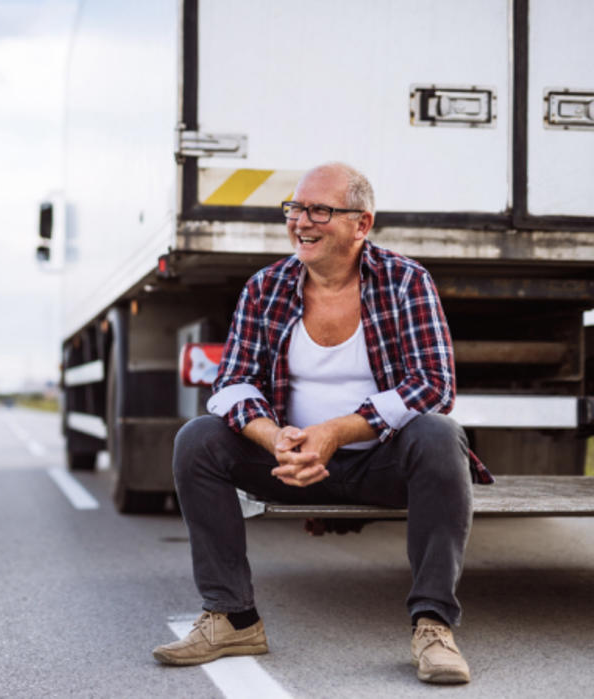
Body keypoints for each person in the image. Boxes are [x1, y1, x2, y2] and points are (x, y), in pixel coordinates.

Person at [152, 162, 493, 684]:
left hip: (380, 465)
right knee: (197, 439)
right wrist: (276, 438)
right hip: (291, 464)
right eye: (296, 208)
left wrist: (335, 432)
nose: (302, 222)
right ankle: (233, 618)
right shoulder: (266, 287)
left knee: (440, 434)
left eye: (320, 210)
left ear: (362, 224)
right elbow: (231, 385)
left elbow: (434, 384)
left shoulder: (405, 281)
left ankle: (433, 625)